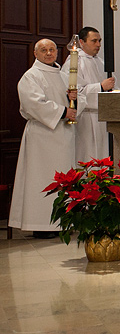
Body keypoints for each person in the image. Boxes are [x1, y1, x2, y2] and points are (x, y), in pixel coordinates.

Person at [10, 39, 81, 238]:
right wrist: (62, 111)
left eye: (51, 50)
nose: (48, 53)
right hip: (42, 136)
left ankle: (62, 222)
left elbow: (75, 101)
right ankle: (41, 224)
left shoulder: (63, 75)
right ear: (35, 53)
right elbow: (33, 103)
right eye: (44, 50)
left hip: (63, 135)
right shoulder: (31, 76)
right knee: (42, 178)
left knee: (63, 179)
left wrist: (73, 98)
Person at [62, 27, 114, 163]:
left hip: (102, 118)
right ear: (81, 42)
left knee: (102, 157)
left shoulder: (100, 62)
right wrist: (100, 87)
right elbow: (73, 92)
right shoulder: (75, 62)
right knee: (87, 156)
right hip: (85, 118)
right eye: (94, 41)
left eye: (99, 41)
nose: (98, 45)